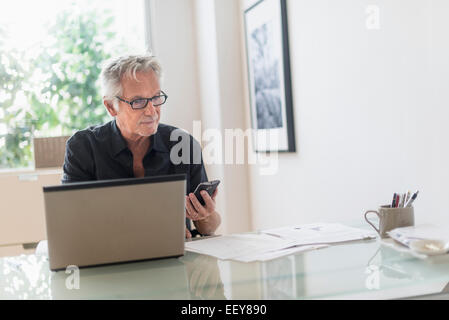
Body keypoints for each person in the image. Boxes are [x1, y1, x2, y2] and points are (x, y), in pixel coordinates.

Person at [62, 54, 221, 237]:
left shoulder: (183, 144)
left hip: (174, 260)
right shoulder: (83, 147)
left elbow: (208, 228)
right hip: (110, 258)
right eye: (138, 101)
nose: (151, 110)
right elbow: (71, 223)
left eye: (155, 98)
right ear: (111, 107)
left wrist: (205, 216)